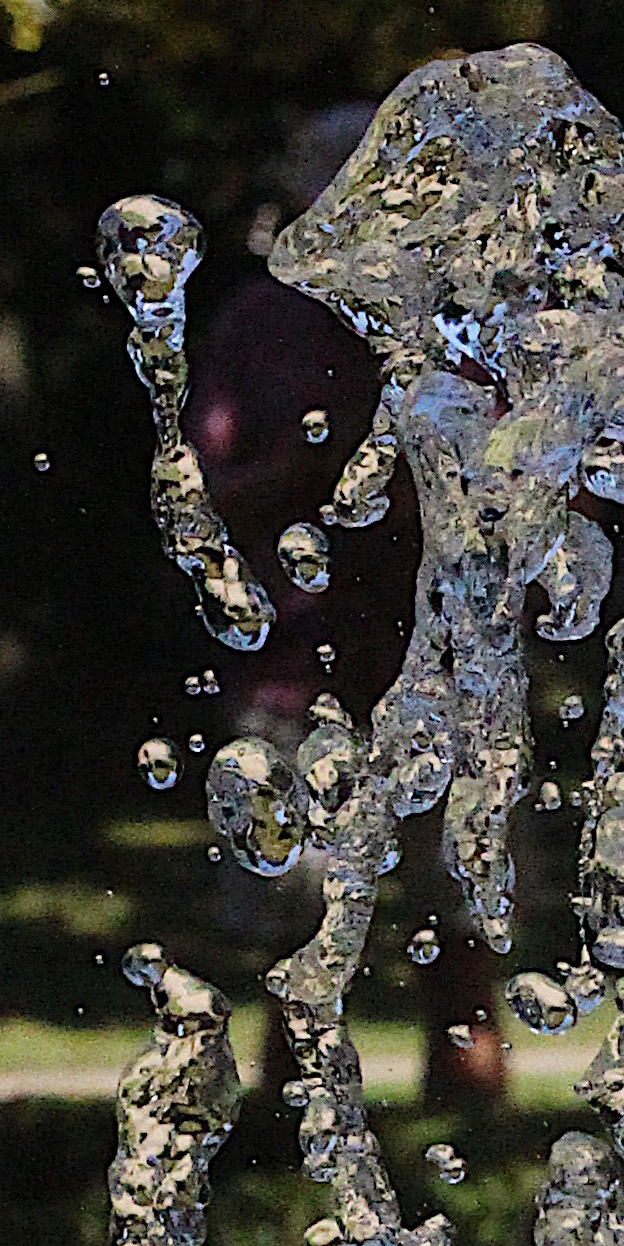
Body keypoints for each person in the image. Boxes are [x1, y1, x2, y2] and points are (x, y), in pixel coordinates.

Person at [181, 100, 508, 1110]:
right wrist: (318, 466)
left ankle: (474, 1162)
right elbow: (197, 494)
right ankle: (295, 1157)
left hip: (444, 674)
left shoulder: (466, 323)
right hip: (294, 668)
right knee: (298, 947)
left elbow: (535, 500)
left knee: (461, 942)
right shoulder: (259, 324)